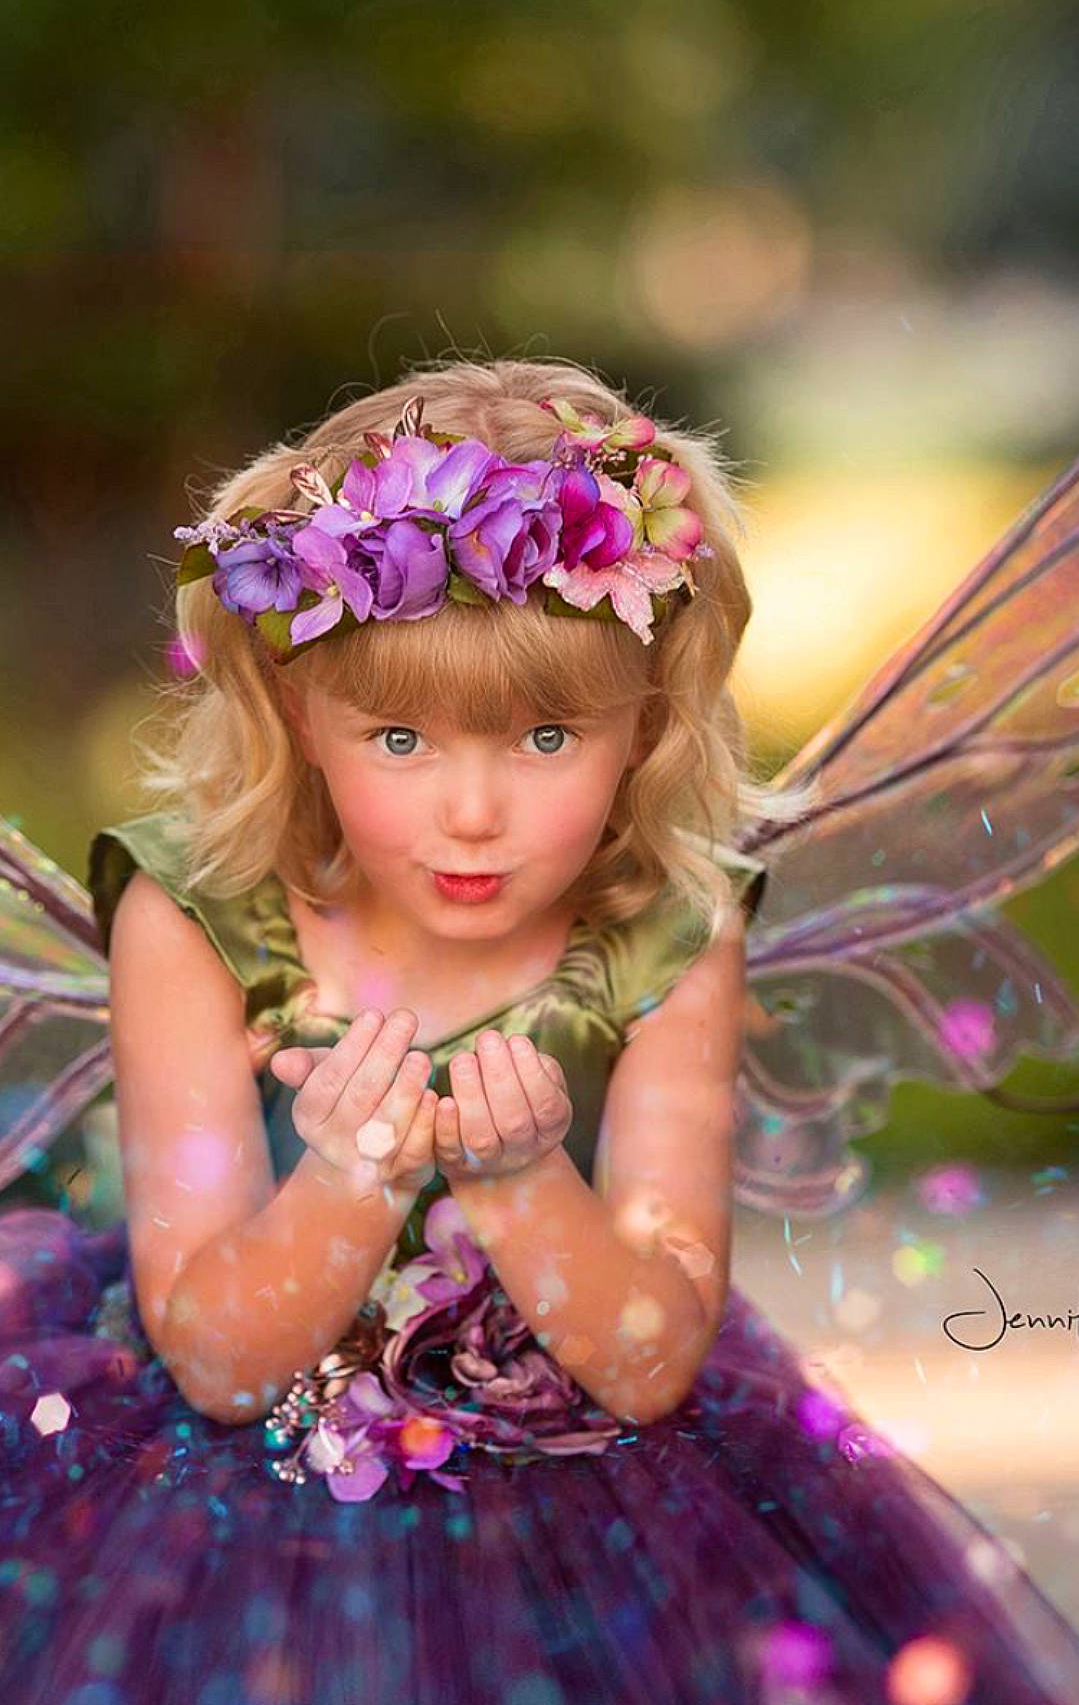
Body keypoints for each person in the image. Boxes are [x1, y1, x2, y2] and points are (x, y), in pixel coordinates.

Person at [1, 357, 1078, 1705]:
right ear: (295, 713)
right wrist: (349, 1182)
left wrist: (518, 1184)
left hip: (584, 1493)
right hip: (240, 1493)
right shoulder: (197, 924)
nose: (472, 812)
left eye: (547, 737)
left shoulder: (669, 933)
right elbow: (216, 1364)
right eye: (400, 738)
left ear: (646, 727)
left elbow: (647, 1361)